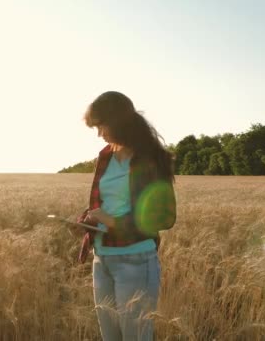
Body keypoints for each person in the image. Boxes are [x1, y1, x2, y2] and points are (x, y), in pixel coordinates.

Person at [75, 91, 177, 341]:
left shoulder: (150, 158)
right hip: (102, 259)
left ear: (119, 122)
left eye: (102, 126)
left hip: (136, 260)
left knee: (136, 337)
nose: (99, 134)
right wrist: (90, 218)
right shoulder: (105, 156)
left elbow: (164, 217)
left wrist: (114, 222)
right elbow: (105, 201)